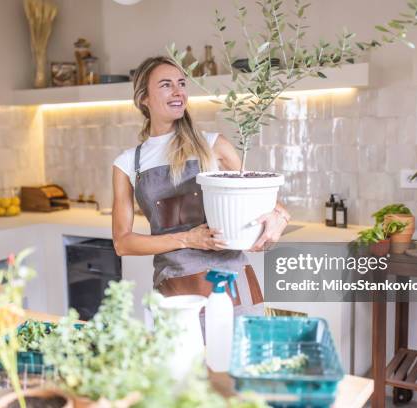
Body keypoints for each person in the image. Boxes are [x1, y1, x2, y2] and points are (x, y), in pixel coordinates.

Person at [112, 56, 290, 310]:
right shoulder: (128, 163)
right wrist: (188, 239)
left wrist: (279, 216)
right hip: (175, 287)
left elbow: (260, 198)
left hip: (232, 281)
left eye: (182, 83)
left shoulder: (213, 145)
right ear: (143, 98)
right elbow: (122, 243)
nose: (178, 92)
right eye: (165, 85)